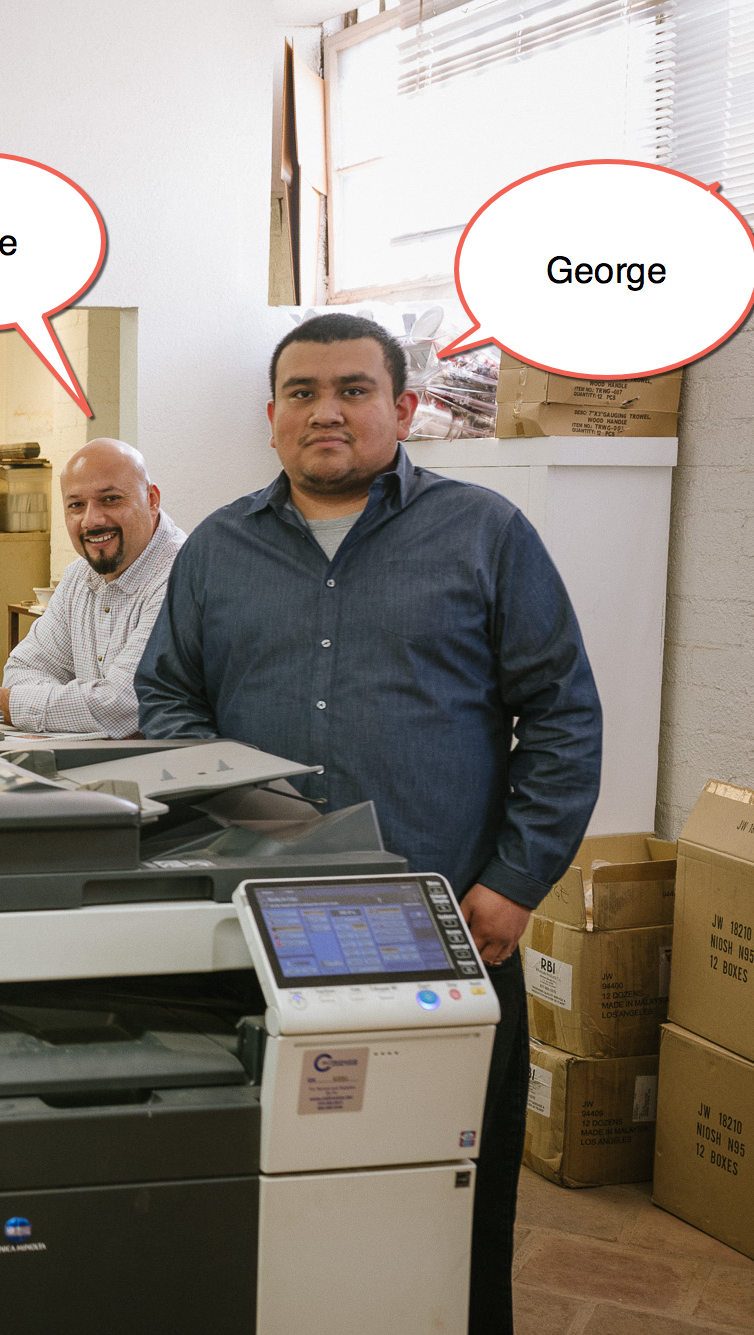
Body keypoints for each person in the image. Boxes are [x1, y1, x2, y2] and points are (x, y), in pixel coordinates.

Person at [135, 312, 601, 1335]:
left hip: (442, 925)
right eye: (302, 392)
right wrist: (226, 813)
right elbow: (166, 699)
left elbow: (561, 714)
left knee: (447, 1187)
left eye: (353, 389)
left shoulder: (484, 533)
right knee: (274, 1186)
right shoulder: (216, 548)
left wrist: (515, 880)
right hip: (260, 923)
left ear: (404, 406)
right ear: (270, 415)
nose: (326, 412)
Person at [0, 437, 183, 737]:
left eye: (110, 499)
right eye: (76, 505)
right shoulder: (79, 577)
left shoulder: (181, 578)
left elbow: (123, 706)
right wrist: (83, 706)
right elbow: (21, 671)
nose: (91, 520)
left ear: (152, 500)